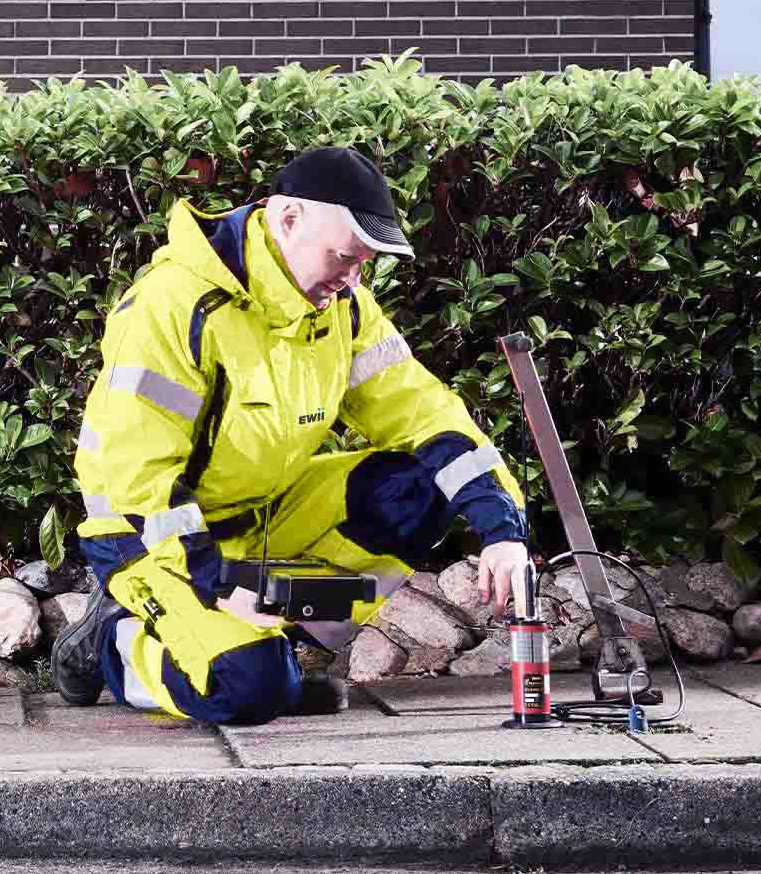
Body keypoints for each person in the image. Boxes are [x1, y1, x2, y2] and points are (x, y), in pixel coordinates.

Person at [52, 146, 530, 723]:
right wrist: (220, 586)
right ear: (289, 218)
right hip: (149, 536)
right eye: (343, 256)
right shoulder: (173, 305)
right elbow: (138, 482)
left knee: (421, 484)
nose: (352, 278)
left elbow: (427, 416)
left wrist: (502, 531)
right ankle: (114, 646)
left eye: (363, 263)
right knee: (246, 691)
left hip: (262, 515)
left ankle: (276, 642)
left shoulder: (343, 306)